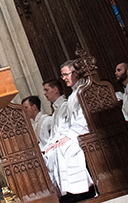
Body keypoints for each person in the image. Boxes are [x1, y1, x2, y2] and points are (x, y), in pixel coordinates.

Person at [40, 62, 95, 202]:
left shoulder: (85, 90)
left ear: (75, 73)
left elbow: (84, 118)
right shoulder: (73, 95)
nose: (64, 78)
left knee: (65, 149)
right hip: (75, 132)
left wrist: (68, 136)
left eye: (65, 74)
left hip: (85, 132)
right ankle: (67, 192)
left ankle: (80, 190)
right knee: (55, 150)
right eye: (62, 75)